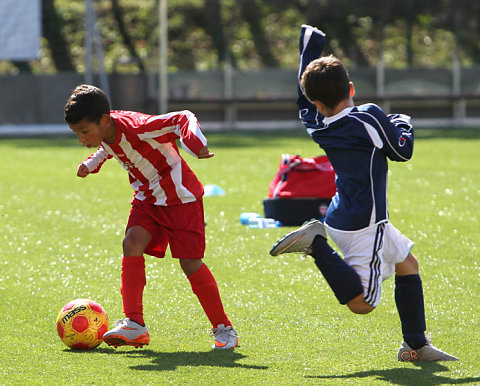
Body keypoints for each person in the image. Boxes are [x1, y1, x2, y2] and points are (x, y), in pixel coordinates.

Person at [270, 25, 457, 362]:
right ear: (351, 87)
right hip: (364, 222)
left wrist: (309, 48)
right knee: (363, 304)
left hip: (348, 214)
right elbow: (402, 151)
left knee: (407, 263)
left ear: (315, 102)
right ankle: (316, 245)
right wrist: (402, 122)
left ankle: (415, 344)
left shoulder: (316, 123)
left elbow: (304, 97)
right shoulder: (367, 117)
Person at [64, 84, 238, 350]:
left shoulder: (139, 126)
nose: (81, 138)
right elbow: (109, 148)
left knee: (190, 263)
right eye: (77, 133)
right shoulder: (108, 130)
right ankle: (135, 324)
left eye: (84, 132)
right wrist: (91, 164)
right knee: (131, 244)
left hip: (180, 197)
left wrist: (196, 143)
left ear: (104, 120)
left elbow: (182, 118)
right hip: (147, 198)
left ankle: (224, 328)